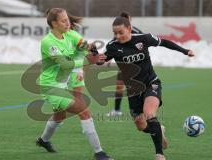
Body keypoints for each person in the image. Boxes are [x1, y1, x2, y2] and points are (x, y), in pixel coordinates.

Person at [99, 13, 195, 160]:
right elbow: (101, 60)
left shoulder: (143, 38)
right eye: (115, 33)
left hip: (151, 83)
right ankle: (159, 130)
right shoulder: (113, 46)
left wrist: (185, 51)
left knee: (149, 113)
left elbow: (164, 42)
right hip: (133, 90)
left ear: (129, 29)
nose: (117, 36)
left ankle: (159, 154)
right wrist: (95, 57)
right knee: (140, 125)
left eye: (121, 32)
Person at [35, 8, 113, 160]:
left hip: (63, 85)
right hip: (51, 87)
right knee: (84, 111)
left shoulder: (70, 34)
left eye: (67, 19)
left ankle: (43, 140)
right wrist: (88, 60)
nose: (68, 23)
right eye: (63, 21)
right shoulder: (48, 42)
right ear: (54, 23)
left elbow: (86, 47)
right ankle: (99, 153)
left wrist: (94, 54)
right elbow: (64, 64)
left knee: (60, 115)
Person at [106, 12, 144, 117]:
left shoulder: (137, 32)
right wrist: (108, 58)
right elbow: (113, 45)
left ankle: (142, 109)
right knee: (119, 85)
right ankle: (117, 110)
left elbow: (144, 46)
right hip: (124, 64)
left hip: (136, 65)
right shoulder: (119, 33)